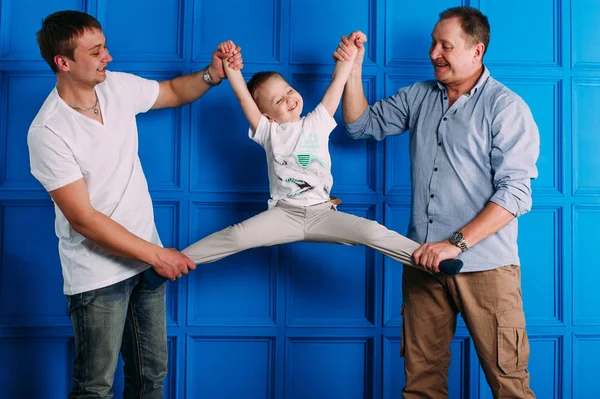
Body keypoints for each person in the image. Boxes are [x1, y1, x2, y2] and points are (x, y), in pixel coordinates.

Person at [27, 10, 242, 398]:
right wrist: (158, 256)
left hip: (146, 263)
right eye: (95, 52)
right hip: (97, 276)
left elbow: (173, 92)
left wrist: (212, 74)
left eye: (104, 46)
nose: (107, 56)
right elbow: (84, 219)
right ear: (63, 62)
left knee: (151, 378)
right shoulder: (48, 131)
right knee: (95, 387)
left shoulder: (116, 88)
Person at [336, 6, 539, 398]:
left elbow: (515, 195)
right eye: (433, 43)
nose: (433, 53)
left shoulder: (506, 107)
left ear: (477, 51)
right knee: (421, 386)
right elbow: (359, 125)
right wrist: (354, 68)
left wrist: (454, 243)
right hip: (423, 265)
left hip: (487, 269)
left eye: (446, 45)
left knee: (510, 386)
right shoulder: (419, 96)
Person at [166, 38, 463, 277]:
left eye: (289, 90)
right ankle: (174, 262)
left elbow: (336, 86)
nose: (289, 99)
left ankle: (432, 261)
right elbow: (244, 98)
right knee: (236, 237)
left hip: (322, 214)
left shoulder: (317, 121)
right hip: (283, 214)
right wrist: (232, 71)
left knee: (372, 232)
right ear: (267, 114)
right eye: (278, 100)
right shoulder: (267, 132)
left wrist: (348, 58)